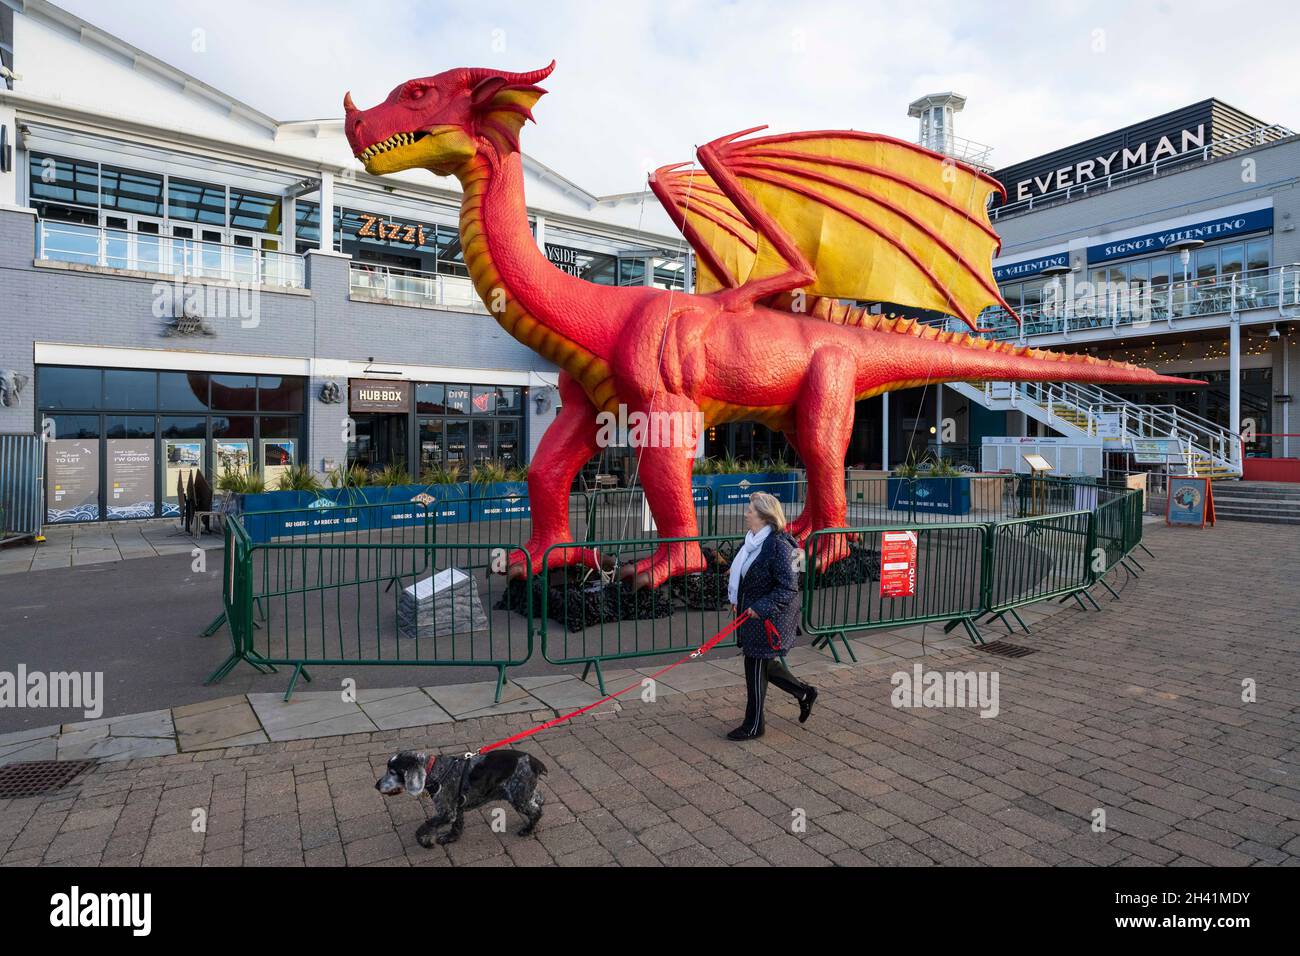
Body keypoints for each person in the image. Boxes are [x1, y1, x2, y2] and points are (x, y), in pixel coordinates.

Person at [726, 491, 817, 740]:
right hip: (753, 616)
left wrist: (760, 607)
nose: (746, 514)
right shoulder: (753, 542)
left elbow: (789, 587)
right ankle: (804, 693)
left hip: (770, 619)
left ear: (765, 517)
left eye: (750, 511)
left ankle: (754, 725)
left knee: (754, 664)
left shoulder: (780, 544)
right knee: (763, 664)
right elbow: (746, 578)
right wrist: (739, 601)